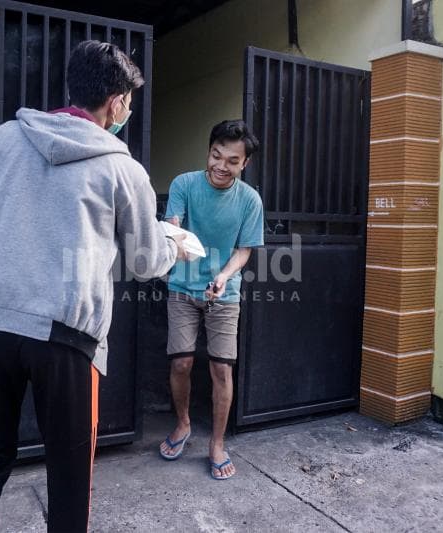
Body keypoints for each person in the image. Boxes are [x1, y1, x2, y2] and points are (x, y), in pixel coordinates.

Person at [0, 40, 187, 532]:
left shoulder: (1, 141)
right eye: (128, 101)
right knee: (69, 482)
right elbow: (145, 262)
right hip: (68, 343)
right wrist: (175, 243)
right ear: (117, 101)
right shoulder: (122, 168)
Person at [159, 120, 263, 480]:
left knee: (221, 368)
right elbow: (173, 224)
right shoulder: (184, 184)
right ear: (209, 151)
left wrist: (222, 276)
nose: (221, 166)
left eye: (232, 161)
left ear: (244, 164)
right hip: (182, 289)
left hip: (225, 292)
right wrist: (175, 241)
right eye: (216, 155)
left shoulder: (250, 200)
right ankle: (183, 423)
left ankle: (217, 443)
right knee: (181, 364)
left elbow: (245, 250)